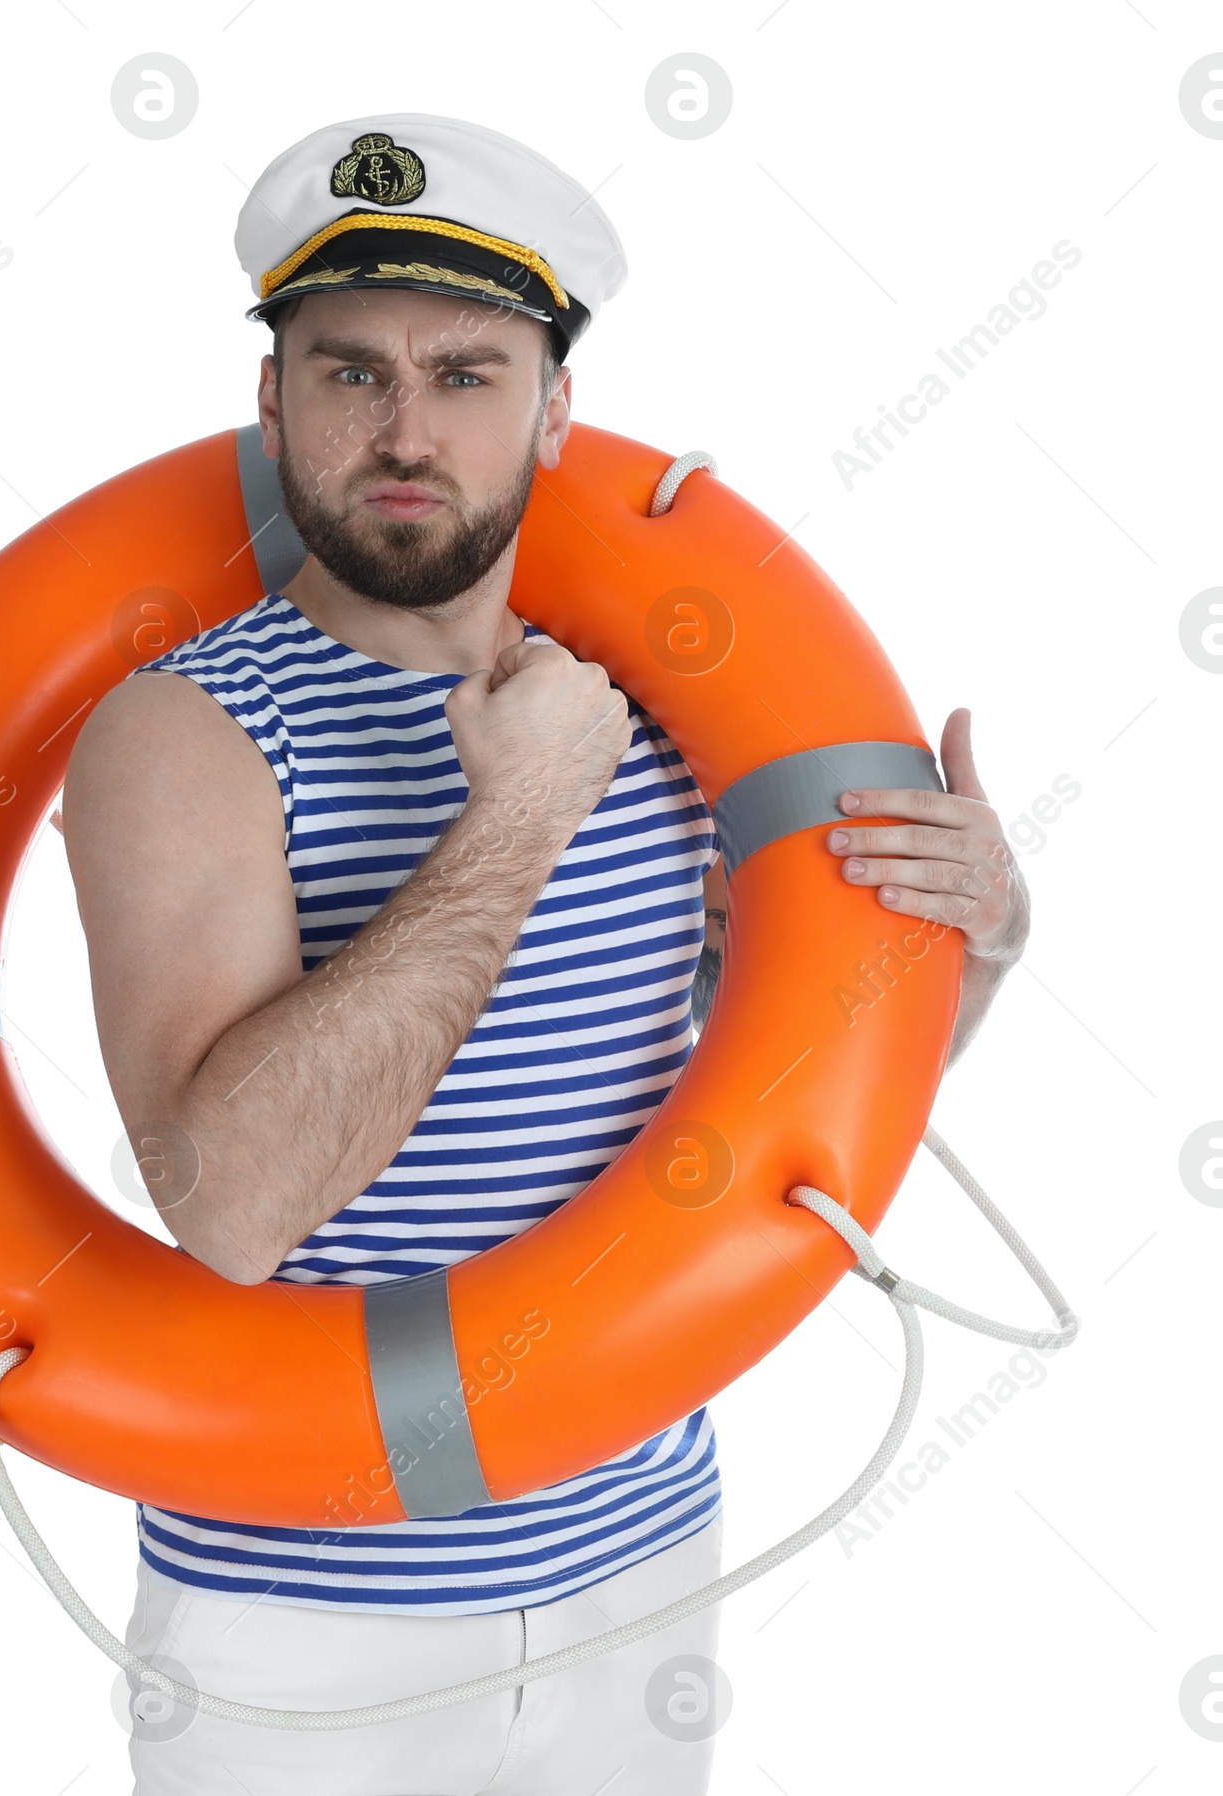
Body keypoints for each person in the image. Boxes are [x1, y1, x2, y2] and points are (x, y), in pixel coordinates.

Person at [62, 112, 1030, 1796]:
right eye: (350, 372)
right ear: (273, 401)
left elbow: (773, 1105)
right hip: (310, 1631)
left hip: (645, 1564)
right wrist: (514, 822)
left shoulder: (667, 713)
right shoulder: (190, 732)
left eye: (469, 372)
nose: (406, 430)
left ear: (556, 406)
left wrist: (986, 948)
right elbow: (229, 1208)